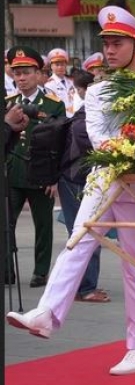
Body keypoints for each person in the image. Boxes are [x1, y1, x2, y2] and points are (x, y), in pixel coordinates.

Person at [6, 6, 135, 375]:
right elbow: (98, 133)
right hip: (104, 176)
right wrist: (119, 150)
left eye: (117, 43)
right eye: (105, 43)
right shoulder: (100, 89)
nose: (109, 49)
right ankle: (47, 312)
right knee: (77, 242)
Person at [5, 46, 66, 289]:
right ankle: (7, 270)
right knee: (6, 224)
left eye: (26, 72)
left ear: (38, 73)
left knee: (43, 225)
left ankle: (40, 272)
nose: (21, 78)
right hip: (13, 171)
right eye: (17, 73)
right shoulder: (8, 102)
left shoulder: (53, 105)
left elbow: (61, 143)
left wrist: (54, 178)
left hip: (41, 174)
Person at [56, 70, 109, 303]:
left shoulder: (90, 116)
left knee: (84, 234)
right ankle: (84, 288)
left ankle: (78, 287)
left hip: (80, 180)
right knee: (84, 235)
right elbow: (99, 148)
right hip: (76, 180)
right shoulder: (84, 121)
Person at [44, 48, 76, 117]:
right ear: (51, 66)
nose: (60, 67)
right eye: (57, 65)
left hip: (75, 115)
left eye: (62, 64)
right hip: (61, 117)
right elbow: (54, 105)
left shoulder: (71, 81)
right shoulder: (49, 85)